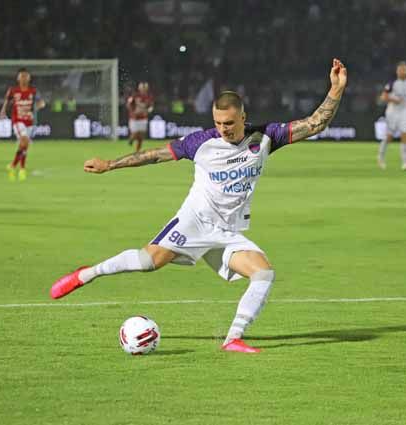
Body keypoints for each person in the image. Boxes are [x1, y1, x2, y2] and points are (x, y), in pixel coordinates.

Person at [50, 59, 348, 354]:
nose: (223, 129)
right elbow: (155, 155)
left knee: (264, 273)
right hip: (194, 222)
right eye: (218, 123)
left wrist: (335, 90)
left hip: (227, 231)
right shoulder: (200, 142)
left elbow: (315, 124)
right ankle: (86, 274)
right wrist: (110, 165)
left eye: (229, 123)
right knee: (147, 262)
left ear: (244, 117)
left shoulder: (266, 137)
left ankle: (233, 338)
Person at [0, 68, 46, 182]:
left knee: (24, 146)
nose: (24, 78)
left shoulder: (33, 91)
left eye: (26, 76)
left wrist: (39, 106)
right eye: (22, 76)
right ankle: (22, 169)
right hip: (17, 120)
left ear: (29, 78)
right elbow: (7, 101)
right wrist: (3, 111)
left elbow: (41, 102)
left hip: (29, 121)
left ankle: (13, 165)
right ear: (18, 78)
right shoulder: (13, 90)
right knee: (24, 141)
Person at [378, 61, 406, 171]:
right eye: (401, 70)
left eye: (405, 69)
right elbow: (383, 97)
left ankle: (405, 162)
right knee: (389, 137)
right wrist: (393, 99)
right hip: (392, 112)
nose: (403, 72)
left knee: (405, 134)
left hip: (404, 112)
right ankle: (381, 156)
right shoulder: (392, 83)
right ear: (397, 71)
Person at [126, 82, 154, 152]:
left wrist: (148, 110)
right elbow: (129, 104)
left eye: (145, 88)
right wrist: (132, 111)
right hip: (134, 118)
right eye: (142, 87)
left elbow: (151, 106)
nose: (143, 89)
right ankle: (131, 140)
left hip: (143, 118)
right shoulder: (135, 95)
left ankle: (137, 152)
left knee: (141, 137)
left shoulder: (148, 96)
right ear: (139, 88)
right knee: (135, 133)